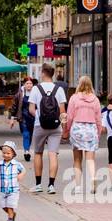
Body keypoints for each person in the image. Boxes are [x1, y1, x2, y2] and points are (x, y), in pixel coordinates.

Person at [62, 75, 103, 196]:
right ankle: (93, 178)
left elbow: (69, 116)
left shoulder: (74, 98)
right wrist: (98, 133)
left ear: (79, 84)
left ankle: (78, 186)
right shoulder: (95, 99)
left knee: (77, 160)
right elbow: (98, 119)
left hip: (77, 129)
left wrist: (66, 131)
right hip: (91, 129)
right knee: (90, 159)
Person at [29, 63, 66, 194]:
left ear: (43, 73)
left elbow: (31, 109)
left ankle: (38, 184)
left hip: (40, 125)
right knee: (53, 154)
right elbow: (62, 111)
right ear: (53, 74)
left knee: (38, 153)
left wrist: (40, 116)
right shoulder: (59, 89)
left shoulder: (35, 88)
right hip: (56, 126)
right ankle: (51, 185)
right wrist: (64, 127)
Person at [11, 76, 36, 159]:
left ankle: (27, 150)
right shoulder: (20, 93)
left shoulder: (36, 93)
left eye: (30, 83)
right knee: (26, 134)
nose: (29, 85)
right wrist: (12, 118)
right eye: (27, 83)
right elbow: (14, 106)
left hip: (33, 117)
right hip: (23, 117)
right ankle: (26, 151)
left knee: (31, 135)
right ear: (24, 85)